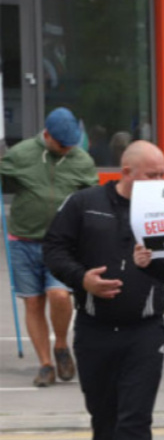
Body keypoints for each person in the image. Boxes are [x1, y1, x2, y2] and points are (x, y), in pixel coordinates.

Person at [42, 141, 164, 440]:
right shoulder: (84, 203)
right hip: (95, 329)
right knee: (104, 414)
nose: (159, 182)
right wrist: (82, 279)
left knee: (135, 415)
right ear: (126, 172)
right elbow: (53, 248)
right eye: (152, 175)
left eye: (163, 174)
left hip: (146, 331)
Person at [0, 107, 98, 387]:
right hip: (23, 239)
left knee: (59, 295)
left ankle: (62, 346)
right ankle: (45, 364)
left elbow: (91, 197)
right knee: (32, 301)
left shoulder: (81, 159)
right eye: (62, 144)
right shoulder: (21, 154)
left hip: (62, 243)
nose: (67, 149)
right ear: (46, 135)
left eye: (71, 144)